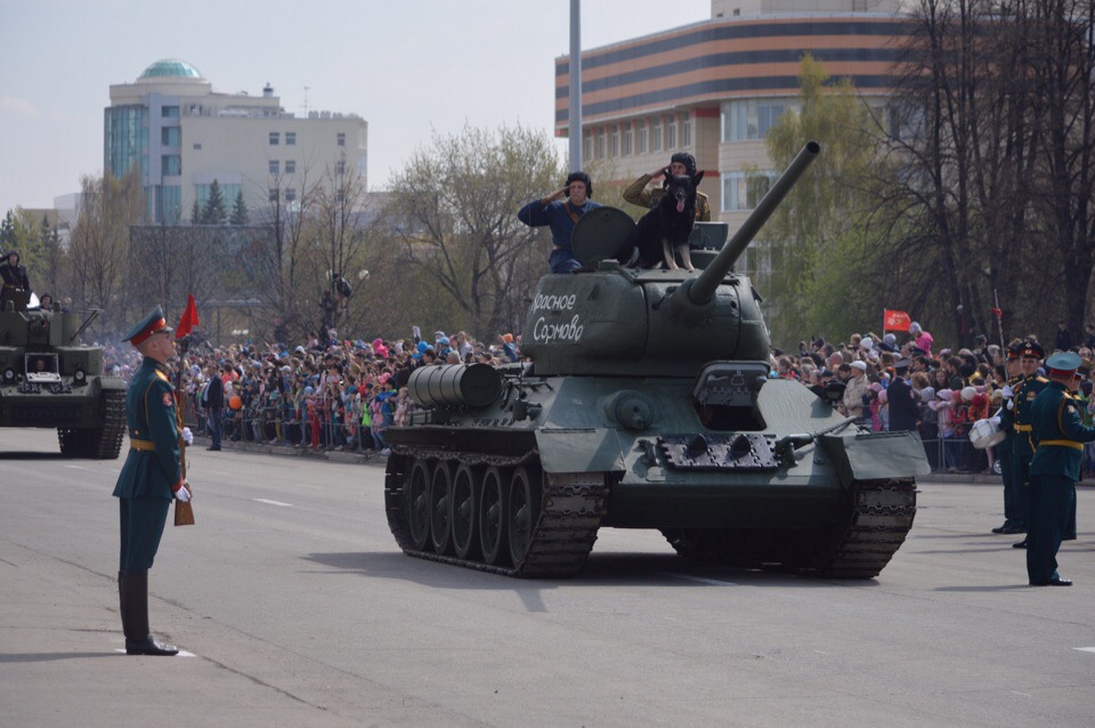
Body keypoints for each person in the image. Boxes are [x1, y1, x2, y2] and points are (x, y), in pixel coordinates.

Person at [112, 306, 191, 655]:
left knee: (131, 556)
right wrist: (176, 482)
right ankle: (139, 637)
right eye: (166, 337)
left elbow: (159, 430)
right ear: (153, 344)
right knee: (139, 558)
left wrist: (178, 433)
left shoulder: (141, 379)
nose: (172, 340)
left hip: (136, 472)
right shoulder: (157, 384)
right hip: (151, 479)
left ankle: (135, 633)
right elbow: (161, 440)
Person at [1026, 351, 1095, 586]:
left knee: (1038, 522)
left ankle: (1037, 572)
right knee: (1052, 523)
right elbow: (1076, 431)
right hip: (1059, 465)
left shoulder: (1041, 397)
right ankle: (1047, 573)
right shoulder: (1065, 401)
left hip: (1043, 462)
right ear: (1071, 376)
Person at [1005, 340, 1048, 546]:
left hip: (1033, 444)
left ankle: (1037, 534)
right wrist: (1006, 403)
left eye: (1031, 360)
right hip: (1019, 443)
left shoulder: (1042, 386)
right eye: (1024, 360)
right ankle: (1030, 532)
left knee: (1035, 492)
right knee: (1021, 490)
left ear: (1038, 363)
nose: (1027, 364)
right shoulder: (1019, 387)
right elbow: (1013, 417)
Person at [517, 171, 601, 274]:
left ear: (586, 190)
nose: (576, 190)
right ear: (567, 190)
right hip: (564, 256)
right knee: (572, 270)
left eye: (580, 187)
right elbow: (524, 216)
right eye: (572, 187)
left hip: (590, 257)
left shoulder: (597, 210)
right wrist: (546, 200)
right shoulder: (556, 209)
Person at [622, 152, 711, 221]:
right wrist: (651, 176)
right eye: (673, 167)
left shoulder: (700, 201)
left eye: (680, 167)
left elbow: (708, 231)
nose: (676, 171)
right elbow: (629, 195)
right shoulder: (657, 195)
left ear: (689, 171)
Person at [888, 359, 919, 432]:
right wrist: (918, 416)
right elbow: (911, 403)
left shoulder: (891, 386)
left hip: (894, 422)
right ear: (906, 372)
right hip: (906, 423)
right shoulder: (906, 387)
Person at [204, 361, 225, 451]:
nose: (209, 370)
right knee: (212, 425)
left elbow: (217, 395)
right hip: (209, 405)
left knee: (215, 425)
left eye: (211, 369)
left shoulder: (217, 380)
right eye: (208, 368)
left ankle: (217, 444)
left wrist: (213, 405)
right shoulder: (211, 379)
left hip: (214, 407)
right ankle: (214, 443)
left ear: (215, 370)